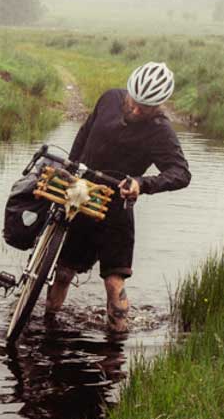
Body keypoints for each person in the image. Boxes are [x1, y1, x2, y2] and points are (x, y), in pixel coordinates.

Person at [45, 61, 191, 333]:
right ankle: (46, 325)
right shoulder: (110, 98)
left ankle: (115, 353)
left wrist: (141, 183)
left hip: (116, 209)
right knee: (63, 272)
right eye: (133, 101)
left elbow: (181, 173)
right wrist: (70, 167)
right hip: (81, 196)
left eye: (145, 108)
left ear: (160, 105)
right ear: (128, 91)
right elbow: (85, 132)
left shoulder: (160, 131)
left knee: (114, 283)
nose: (136, 110)